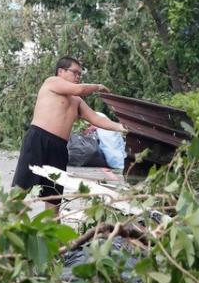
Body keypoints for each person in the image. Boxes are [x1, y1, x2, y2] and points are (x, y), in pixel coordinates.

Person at [11, 56, 127, 211]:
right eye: (75, 73)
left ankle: (51, 233)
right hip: (39, 139)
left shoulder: (76, 101)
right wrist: (98, 86)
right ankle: (2, 227)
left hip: (59, 148)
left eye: (80, 74)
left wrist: (121, 127)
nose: (78, 77)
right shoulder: (52, 82)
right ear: (61, 71)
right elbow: (80, 89)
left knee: (54, 198)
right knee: (20, 189)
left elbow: (96, 119)